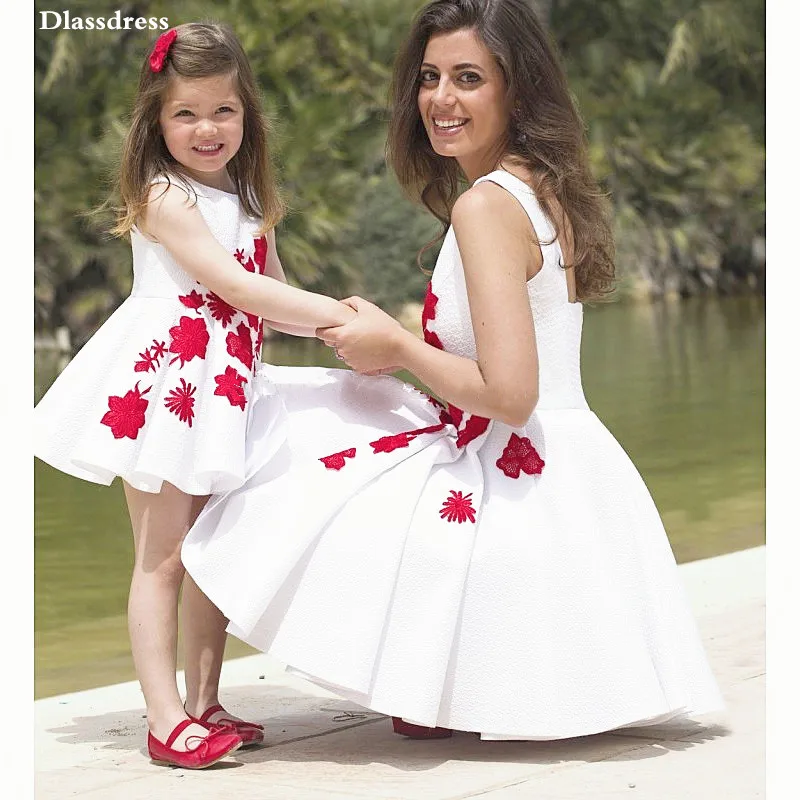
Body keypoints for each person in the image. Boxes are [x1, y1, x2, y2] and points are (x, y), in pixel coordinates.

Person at [181, 0, 724, 741]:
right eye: (430, 77)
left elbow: (510, 393)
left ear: (516, 88)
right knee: (330, 418)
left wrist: (397, 347)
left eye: (468, 78)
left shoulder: (486, 207)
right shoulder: (540, 185)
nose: (440, 99)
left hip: (514, 463)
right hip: (570, 466)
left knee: (274, 451)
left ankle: (197, 703)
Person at [33, 22, 356, 768]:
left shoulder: (247, 197)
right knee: (164, 557)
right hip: (167, 393)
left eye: (223, 111)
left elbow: (267, 298)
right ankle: (163, 715)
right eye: (185, 114)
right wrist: (340, 310)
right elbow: (232, 285)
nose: (206, 128)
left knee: (213, 551)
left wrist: (344, 338)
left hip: (227, 392)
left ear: (248, 116)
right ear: (157, 120)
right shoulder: (163, 196)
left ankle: (207, 701)